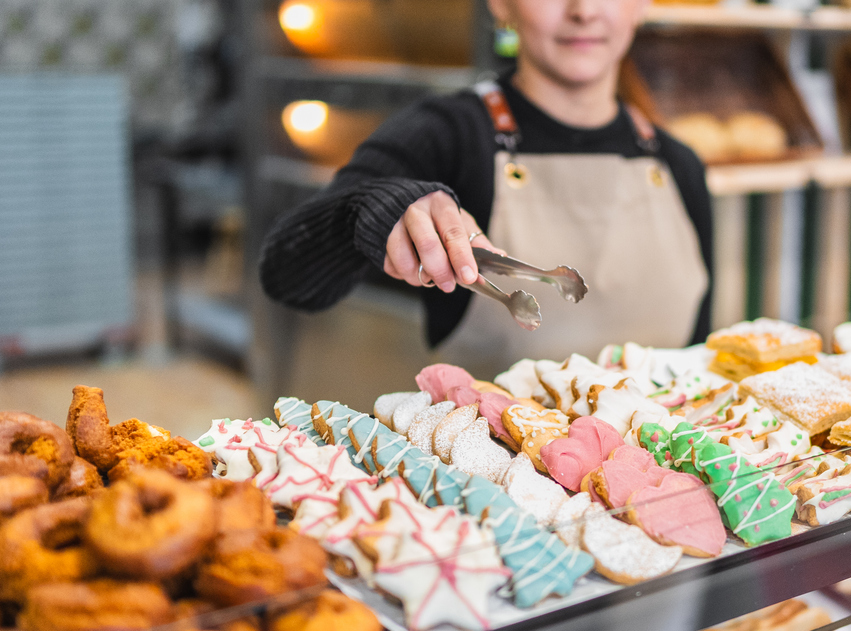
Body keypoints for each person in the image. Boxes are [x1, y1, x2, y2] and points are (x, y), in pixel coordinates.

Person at [260, 0, 713, 377]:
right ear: (500, 5)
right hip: (488, 479)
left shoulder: (679, 165)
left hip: (654, 478)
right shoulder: (447, 134)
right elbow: (287, 274)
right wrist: (373, 209)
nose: (584, 10)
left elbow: (696, 364)